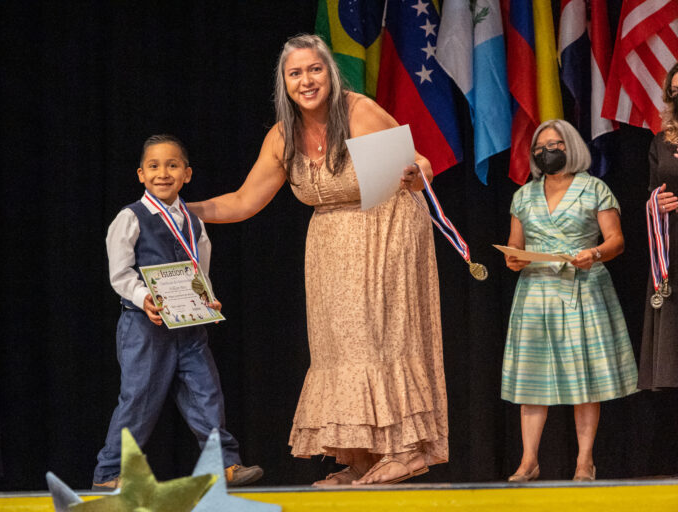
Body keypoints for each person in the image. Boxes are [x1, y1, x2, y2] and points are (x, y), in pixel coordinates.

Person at [188, 34, 447, 486]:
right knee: (339, 348)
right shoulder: (282, 135)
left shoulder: (359, 111)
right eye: (296, 73)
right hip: (329, 245)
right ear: (284, 83)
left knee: (381, 337)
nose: (306, 80)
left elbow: (419, 164)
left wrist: (415, 173)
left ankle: (406, 450)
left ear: (330, 72)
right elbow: (245, 200)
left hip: (384, 227)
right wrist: (179, 211)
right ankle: (362, 457)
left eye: (315, 70)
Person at [92, 134, 263, 490]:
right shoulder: (130, 217)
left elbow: (200, 272)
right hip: (145, 326)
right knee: (139, 398)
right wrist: (144, 299)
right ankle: (110, 472)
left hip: (189, 326)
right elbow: (120, 273)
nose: (163, 173)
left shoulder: (194, 223)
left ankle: (224, 465)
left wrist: (207, 299)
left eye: (172, 165)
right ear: (141, 174)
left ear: (187, 173)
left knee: (207, 393)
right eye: (153, 166)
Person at [502, 120, 638, 482]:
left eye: (556, 143)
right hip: (535, 293)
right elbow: (516, 245)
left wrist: (593, 253)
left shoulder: (595, 189)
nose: (547, 150)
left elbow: (616, 242)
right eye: (540, 146)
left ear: (571, 147)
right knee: (531, 378)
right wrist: (513, 257)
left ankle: (584, 462)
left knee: (584, 378)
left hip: (583, 288)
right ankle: (529, 460)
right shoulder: (523, 195)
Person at [639, 63, 678, 390]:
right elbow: (653, 190)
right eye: (675, 92)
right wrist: (657, 204)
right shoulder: (661, 142)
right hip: (673, 256)